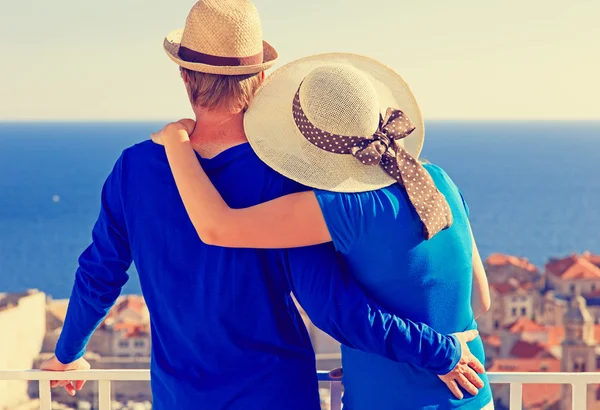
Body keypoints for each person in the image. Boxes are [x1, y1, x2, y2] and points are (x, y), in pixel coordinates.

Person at [39, 1, 485, 410]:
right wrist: (430, 352)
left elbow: (100, 272)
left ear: (185, 76)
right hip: (277, 393)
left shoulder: (134, 168)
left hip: (179, 397)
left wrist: (68, 354)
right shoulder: (291, 176)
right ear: (261, 81)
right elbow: (333, 306)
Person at [151, 55, 493, 409]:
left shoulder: (342, 207)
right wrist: (371, 361)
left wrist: (177, 141)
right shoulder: (437, 180)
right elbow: (478, 300)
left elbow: (216, 226)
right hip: (474, 394)